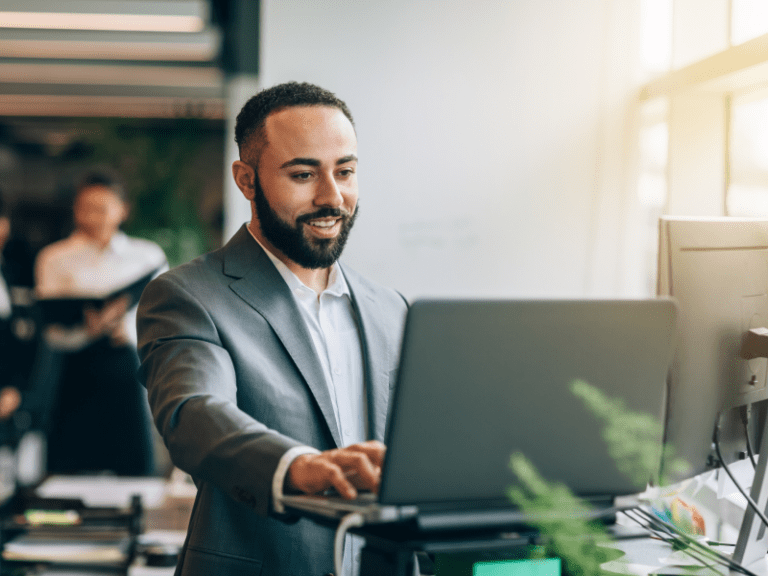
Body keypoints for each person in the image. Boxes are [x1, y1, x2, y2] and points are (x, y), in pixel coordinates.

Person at [137, 82, 408, 575]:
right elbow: (194, 413)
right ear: (246, 180)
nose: (332, 197)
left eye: (344, 171)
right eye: (303, 174)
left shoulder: (392, 310)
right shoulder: (188, 295)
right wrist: (299, 468)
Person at [35, 171, 167, 475]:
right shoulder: (53, 257)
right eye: (85, 208)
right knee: (68, 469)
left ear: (123, 209)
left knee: (133, 466)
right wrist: (86, 327)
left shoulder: (147, 256)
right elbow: (51, 327)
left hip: (125, 364)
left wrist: (126, 329)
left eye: (102, 207)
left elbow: (163, 320)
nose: (92, 216)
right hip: (74, 369)